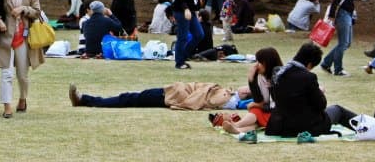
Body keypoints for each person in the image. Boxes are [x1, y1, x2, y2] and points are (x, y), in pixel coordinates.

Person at [267, 42, 372, 138]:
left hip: (280, 126)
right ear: (309, 64)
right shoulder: (308, 77)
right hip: (306, 126)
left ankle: (368, 125)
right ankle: (369, 128)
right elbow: (321, 105)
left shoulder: (278, 73)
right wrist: (320, 91)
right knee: (338, 110)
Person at [0, 0, 44, 118]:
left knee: (22, 74)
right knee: (6, 73)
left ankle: (23, 98)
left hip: (23, 36)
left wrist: (23, 9)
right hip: (5, 36)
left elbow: (37, 12)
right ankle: (7, 106)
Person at [209, 47, 283, 135]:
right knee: (256, 119)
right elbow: (258, 100)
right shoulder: (261, 77)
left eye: (259, 62)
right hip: (268, 112)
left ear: (267, 63)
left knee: (255, 109)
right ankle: (237, 130)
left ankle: (237, 125)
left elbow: (275, 105)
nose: (256, 65)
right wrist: (251, 80)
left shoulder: (280, 77)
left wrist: (256, 105)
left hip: (280, 113)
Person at [68, 78, 248, 110]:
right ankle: (86, 100)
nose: (244, 86)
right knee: (131, 97)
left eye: (247, 88)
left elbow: (200, 97)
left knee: (129, 98)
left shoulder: (226, 98)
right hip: (173, 92)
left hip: (171, 96)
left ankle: (85, 100)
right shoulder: (229, 94)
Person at [319, 0, 360, 76]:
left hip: (347, 12)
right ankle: (338, 69)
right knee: (343, 42)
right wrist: (332, 14)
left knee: (346, 43)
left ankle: (326, 62)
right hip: (341, 12)